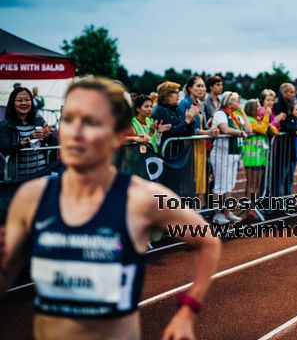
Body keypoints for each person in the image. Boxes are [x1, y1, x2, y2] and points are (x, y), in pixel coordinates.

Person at [0, 77, 221, 340]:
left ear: (117, 135)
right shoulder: (32, 197)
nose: (76, 132)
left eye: (91, 122)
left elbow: (208, 241)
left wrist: (187, 312)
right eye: (69, 119)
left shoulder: (145, 197)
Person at [210, 91, 252, 224]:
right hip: (222, 153)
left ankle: (227, 211)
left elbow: (249, 129)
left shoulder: (234, 115)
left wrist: (243, 113)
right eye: (235, 100)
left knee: (229, 185)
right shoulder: (220, 113)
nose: (238, 103)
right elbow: (225, 129)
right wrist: (240, 132)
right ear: (228, 103)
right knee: (220, 186)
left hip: (232, 154)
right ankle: (217, 213)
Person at [0, 87, 57, 179]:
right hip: (19, 178)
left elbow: (54, 143)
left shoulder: (38, 120)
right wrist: (25, 141)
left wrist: (48, 136)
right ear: (12, 103)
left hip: (42, 174)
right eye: (19, 100)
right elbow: (4, 149)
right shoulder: (5, 125)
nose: (24, 103)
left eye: (27, 100)